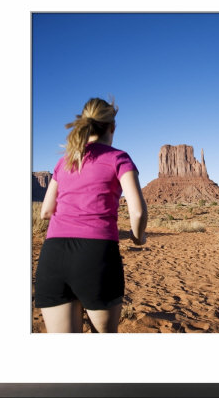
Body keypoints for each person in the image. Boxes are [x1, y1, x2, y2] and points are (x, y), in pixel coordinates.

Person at [34, 97, 148, 333]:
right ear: (112, 127)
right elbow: (137, 211)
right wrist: (138, 237)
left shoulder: (65, 161)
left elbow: (45, 211)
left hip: (53, 256)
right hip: (96, 255)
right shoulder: (119, 158)